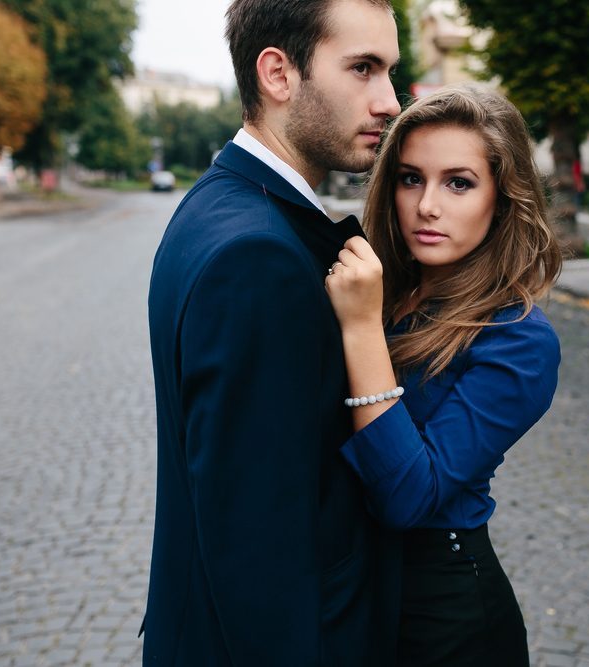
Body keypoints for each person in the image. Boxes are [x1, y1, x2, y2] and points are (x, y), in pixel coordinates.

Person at [141, 1, 402, 664]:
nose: (390, 102)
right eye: (363, 69)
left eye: (389, 72)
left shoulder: (216, 203)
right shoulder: (258, 257)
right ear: (278, 74)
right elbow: (258, 550)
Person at [324, 86, 563, 666]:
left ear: (502, 200)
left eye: (459, 182)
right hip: (354, 594)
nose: (427, 205)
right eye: (411, 178)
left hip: (444, 619)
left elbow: (409, 497)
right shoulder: (384, 293)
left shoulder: (518, 339)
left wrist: (359, 330)